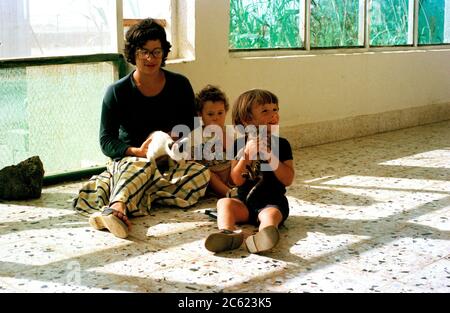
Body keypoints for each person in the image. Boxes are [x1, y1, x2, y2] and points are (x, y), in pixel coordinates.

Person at [73, 18, 210, 239]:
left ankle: (123, 199)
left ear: (164, 53)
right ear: (133, 53)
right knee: (142, 167)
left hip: (168, 162)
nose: (150, 58)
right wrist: (136, 151)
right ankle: (118, 206)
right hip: (131, 161)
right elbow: (106, 141)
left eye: (156, 52)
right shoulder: (116, 92)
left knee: (202, 175)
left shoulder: (180, 84)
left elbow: (191, 124)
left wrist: (173, 138)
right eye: (143, 51)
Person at [204, 89, 295, 254]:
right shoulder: (238, 146)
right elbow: (236, 180)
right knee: (224, 203)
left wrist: (270, 156)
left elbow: (288, 179)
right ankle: (228, 233)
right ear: (247, 121)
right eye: (265, 111)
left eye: (275, 110)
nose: (273, 115)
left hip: (272, 202)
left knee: (271, 214)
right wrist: (246, 155)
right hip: (244, 203)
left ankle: (264, 235)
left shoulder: (282, 144)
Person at [193, 85, 236, 198]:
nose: (216, 118)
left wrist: (221, 134)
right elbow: (193, 161)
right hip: (213, 177)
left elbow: (235, 151)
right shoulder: (196, 135)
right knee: (207, 174)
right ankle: (229, 193)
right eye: (210, 114)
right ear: (200, 115)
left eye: (220, 113)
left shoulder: (229, 131)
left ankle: (244, 189)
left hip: (231, 173)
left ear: (226, 112)